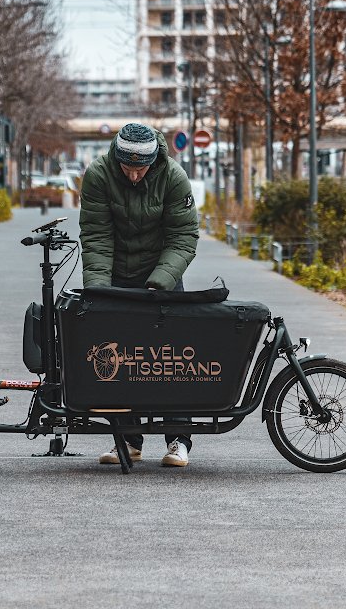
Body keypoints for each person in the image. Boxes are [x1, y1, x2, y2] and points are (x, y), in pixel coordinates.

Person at [79, 122, 199, 466]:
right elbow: (97, 235)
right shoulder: (99, 175)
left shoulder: (173, 177)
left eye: (140, 169)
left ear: (153, 161)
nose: (133, 176)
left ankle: (178, 440)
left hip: (162, 275)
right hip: (117, 274)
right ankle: (128, 439)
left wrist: (160, 281)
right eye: (126, 169)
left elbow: (183, 236)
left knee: (171, 359)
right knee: (118, 358)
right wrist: (99, 290)